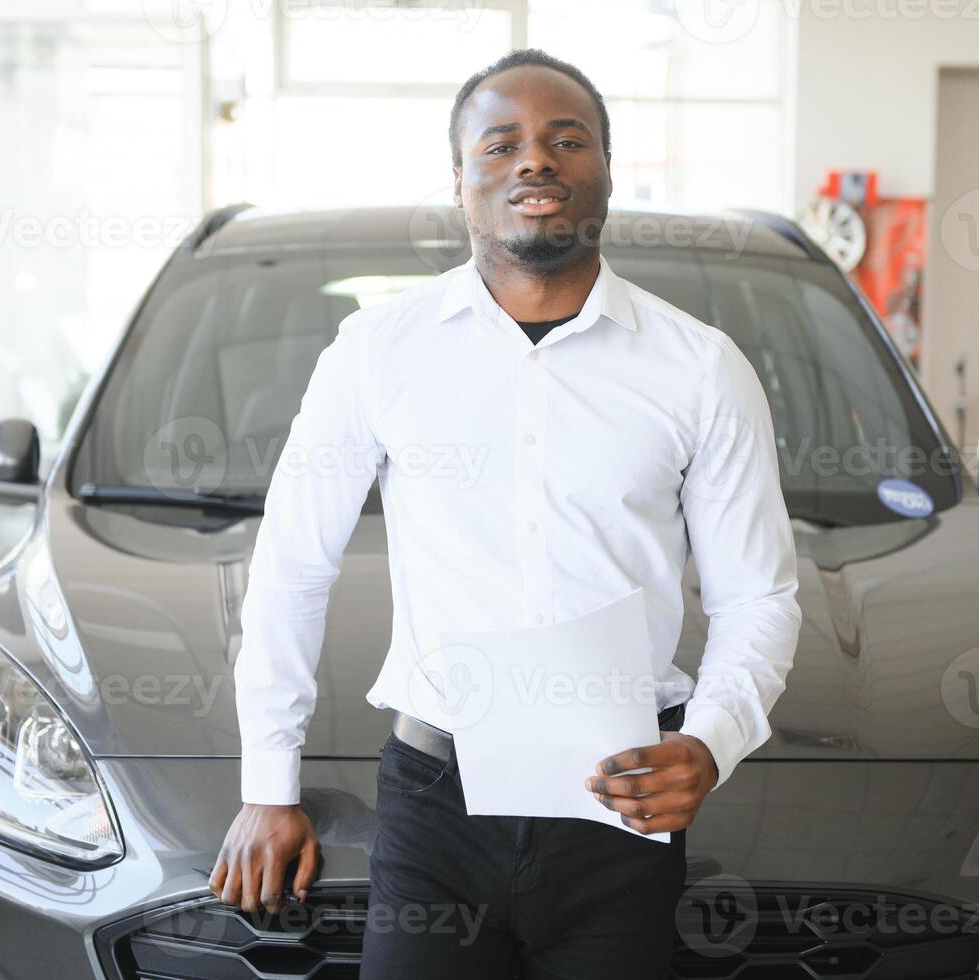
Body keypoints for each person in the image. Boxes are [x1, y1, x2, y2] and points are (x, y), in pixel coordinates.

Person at [209, 48, 801, 979]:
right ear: (460, 182)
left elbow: (757, 598)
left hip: (624, 802)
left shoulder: (699, 368)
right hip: (435, 804)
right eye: (501, 145)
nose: (535, 161)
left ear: (606, 172)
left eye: (567, 140)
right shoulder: (377, 353)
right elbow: (292, 567)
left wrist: (712, 742)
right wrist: (267, 786)